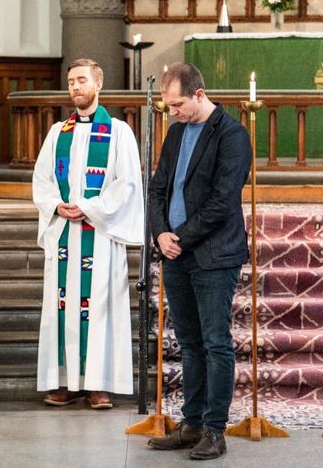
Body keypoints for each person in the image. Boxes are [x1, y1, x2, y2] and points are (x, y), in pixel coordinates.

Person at [147, 63, 251, 460]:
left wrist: (181, 239)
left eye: (177, 105)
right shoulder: (175, 132)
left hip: (212, 255)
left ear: (199, 95)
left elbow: (222, 203)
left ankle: (214, 429)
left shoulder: (232, 135)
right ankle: (191, 424)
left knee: (215, 344)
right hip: (175, 253)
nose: (172, 112)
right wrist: (160, 235)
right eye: (169, 105)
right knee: (188, 344)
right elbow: (157, 188)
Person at [32, 58, 144, 410]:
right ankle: (65, 382)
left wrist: (91, 209)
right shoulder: (56, 133)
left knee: (101, 309)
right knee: (62, 309)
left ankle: (100, 384)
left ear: (98, 83)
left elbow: (126, 183)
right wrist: (56, 204)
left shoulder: (118, 132)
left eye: (81, 80)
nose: (75, 87)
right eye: (70, 82)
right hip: (66, 232)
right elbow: (42, 180)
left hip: (100, 234)